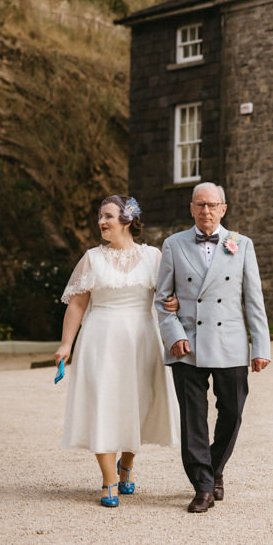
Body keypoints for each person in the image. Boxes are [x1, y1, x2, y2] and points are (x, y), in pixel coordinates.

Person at [54, 195, 180, 508]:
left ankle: (126, 464)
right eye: (100, 216)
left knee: (137, 404)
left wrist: (174, 304)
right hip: (101, 339)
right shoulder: (91, 258)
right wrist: (66, 344)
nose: (101, 222)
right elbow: (78, 304)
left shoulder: (153, 257)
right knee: (103, 403)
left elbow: (169, 297)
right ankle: (109, 479)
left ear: (127, 220)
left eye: (108, 216)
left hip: (142, 339)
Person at [154, 182, 271, 514]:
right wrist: (172, 334)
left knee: (232, 412)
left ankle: (214, 466)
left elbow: (254, 300)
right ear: (191, 208)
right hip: (187, 345)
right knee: (194, 418)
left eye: (212, 205)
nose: (206, 211)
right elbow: (162, 300)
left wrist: (260, 346)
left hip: (231, 342)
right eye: (200, 205)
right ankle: (203, 485)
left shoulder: (241, 244)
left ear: (224, 208)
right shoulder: (173, 245)